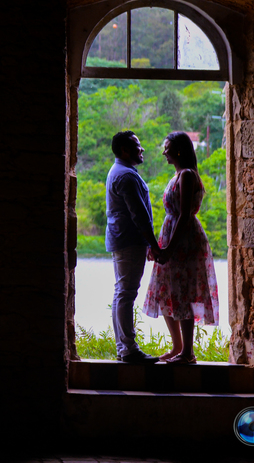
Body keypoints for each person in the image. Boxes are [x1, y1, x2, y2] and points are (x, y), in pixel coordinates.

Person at [143, 131, 221, 364]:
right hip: (172, 237)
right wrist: (159, 245)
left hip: (184, 241)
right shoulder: (177, 175)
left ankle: (188, 353)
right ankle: (177, 346)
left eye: (167, 147)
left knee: (183, 292)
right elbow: (173, 215)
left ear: (178, 150)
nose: (163, 152)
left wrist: (170, 248)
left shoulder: (187, 175)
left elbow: (184, 215)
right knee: (166, 290)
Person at [105, 130, 166, 364]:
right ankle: (129, 349)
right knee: (126, 293)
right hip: (129, 241)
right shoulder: (126, 176)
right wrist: (154, 244)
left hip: (123, 240)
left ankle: (124, 347)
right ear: (124, 150)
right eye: (137, 145)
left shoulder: (119, 171)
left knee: (122, 292)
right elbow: (139, 215)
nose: (142, 149)